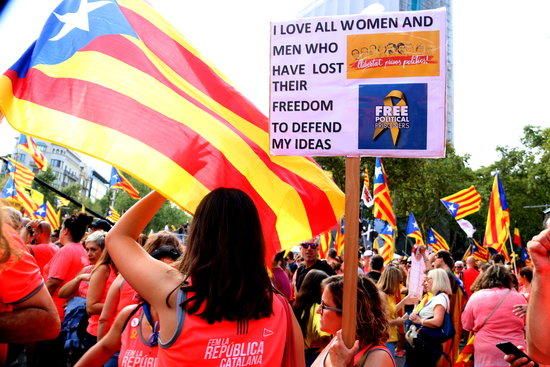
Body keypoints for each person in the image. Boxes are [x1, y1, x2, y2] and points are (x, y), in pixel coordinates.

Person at [106, 189, 304, 366]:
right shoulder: (281, 308)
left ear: (197, 235)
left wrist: (168, 184)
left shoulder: (173, 296)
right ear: (255, 238)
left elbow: (118, 237)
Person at [0, 209, 60, 365]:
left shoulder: (16, 245)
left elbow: (22, 249)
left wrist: (26, 233)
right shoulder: (56, 248)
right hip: (29, 295)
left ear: (37, 233)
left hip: (27, 297)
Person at [311, 275, 394, 367]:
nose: (318, 311)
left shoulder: (378, 357)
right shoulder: (337, 342)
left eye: (324, 306)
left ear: (349, 314)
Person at [461, 265, 526, 367]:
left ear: (485, 277)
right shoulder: (519, 297)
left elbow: (466, 325)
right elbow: (526, 324)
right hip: (515, 348)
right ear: (507, 278)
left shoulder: (476, 297)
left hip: (487, 349)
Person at [406, 268, 452, 367]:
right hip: (425, 343)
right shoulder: (439, 297)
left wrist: (420, 320)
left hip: (426, 344)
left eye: (428, 280)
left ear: (437, 280)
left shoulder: (440, 298)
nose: (424, 283)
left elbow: (437, 322)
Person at [377, 266, 419, 357]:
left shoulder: (388, 294)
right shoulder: (382, 295)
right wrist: (401, 321)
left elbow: (390, 311)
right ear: (392, 280)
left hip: (389, 338)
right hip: (385, 339)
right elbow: (384, 321)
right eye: (399, 281)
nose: (400, 284)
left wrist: (403, 302)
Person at [293, 269, 330, 366]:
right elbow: (325, 334)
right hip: (316, 355)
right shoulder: (317, 309)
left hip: (302, 354)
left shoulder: (298, 306)